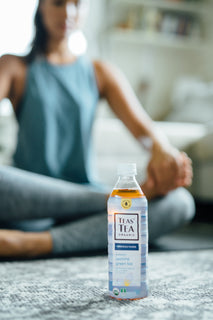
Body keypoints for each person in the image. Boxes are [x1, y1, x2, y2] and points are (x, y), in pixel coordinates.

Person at [0, 0, 194, 258]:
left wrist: (163, 152)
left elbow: (146, 133)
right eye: (58, 3)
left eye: (77, 4)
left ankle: (31, 243)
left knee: (179, 203)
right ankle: (107, 203)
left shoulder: (99, 71)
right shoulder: (14, 67)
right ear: (41, 7)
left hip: (86, 206)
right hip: (29, 203)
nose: (68, 12)